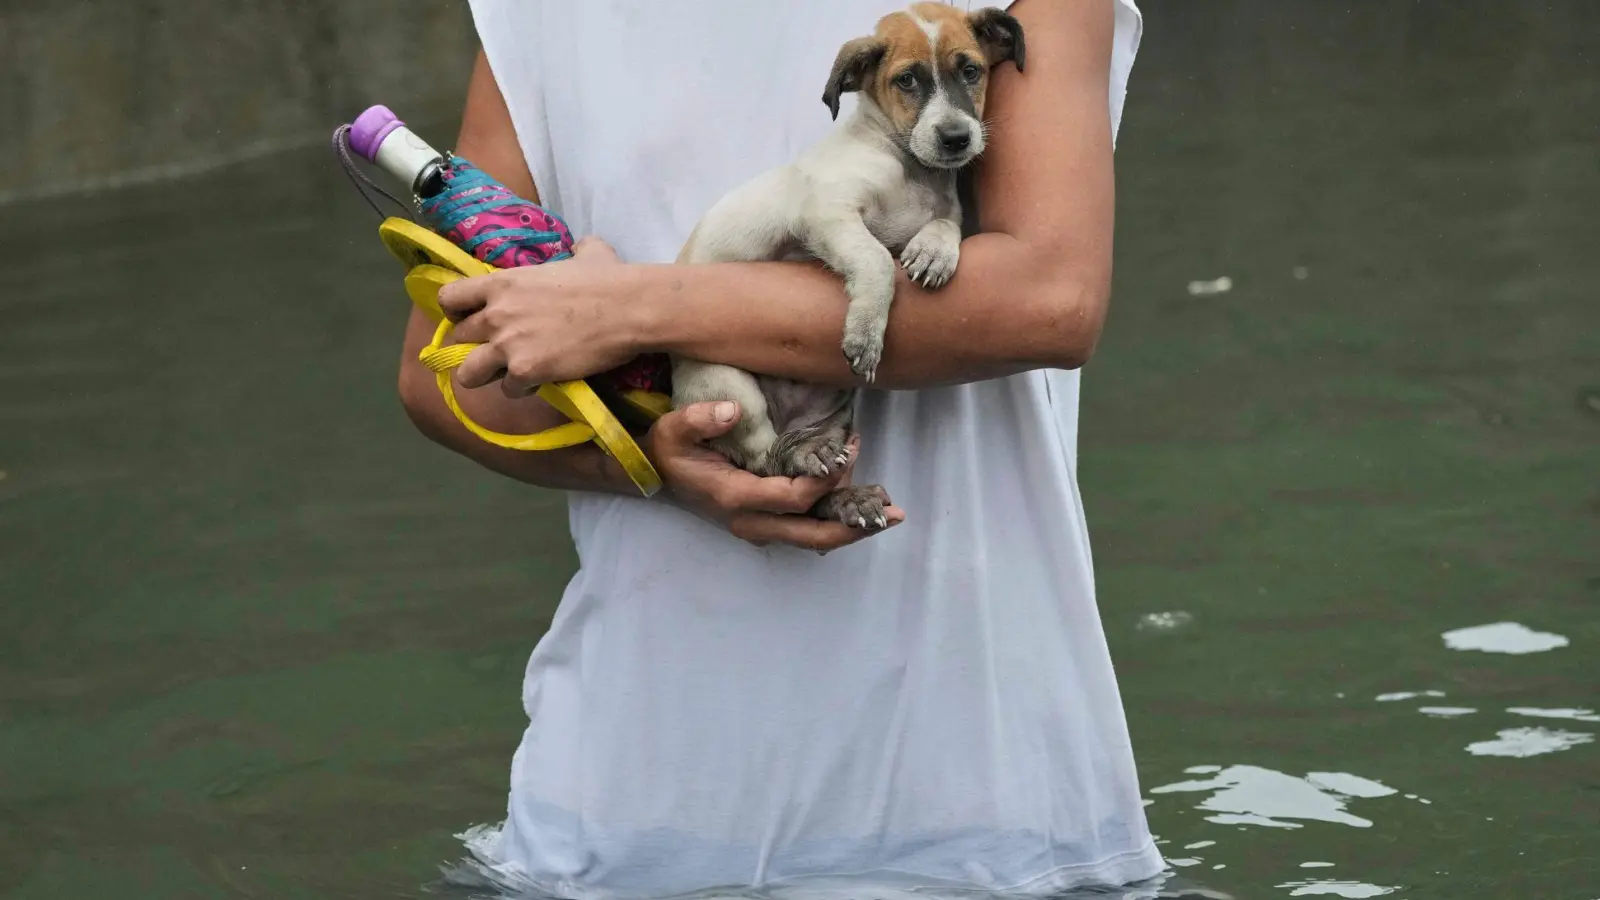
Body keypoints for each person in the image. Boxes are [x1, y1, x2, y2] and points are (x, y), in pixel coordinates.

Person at [399, 1, 1160, 897]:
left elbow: (1050, 299)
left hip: (975, 810)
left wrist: (638, 310)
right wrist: (652, 455)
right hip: (622, 818)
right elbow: (445, 370)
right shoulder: (537, 15)